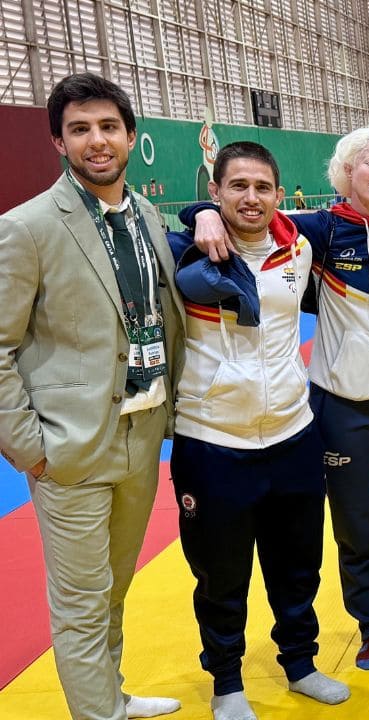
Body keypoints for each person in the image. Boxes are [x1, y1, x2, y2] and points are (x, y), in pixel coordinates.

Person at [187, 127, 369, 671]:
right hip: (339, 401)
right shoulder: (317, 231)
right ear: (347, 172)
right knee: (352, 524)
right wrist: (201, 211)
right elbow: (245, 216)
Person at [0, 73, 183, 720]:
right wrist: (30, 450)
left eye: (108, 127)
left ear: (132, 137)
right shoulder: (26, 228)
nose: (96, 141)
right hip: (70, 448)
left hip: (141, 435)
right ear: (59, 141)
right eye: (80, 129)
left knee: (114, 591)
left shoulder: (149, 217)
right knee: (80, 606)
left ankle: (112, 695)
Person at [167, 142, 349, 720]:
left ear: (278, 194)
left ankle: (300, 664)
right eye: (237, 187)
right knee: (221, 574)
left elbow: (364, 204)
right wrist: (195, 214)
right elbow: (151, 222)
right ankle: (227, 683)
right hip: (212, 439)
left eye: (263, 188)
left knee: (298, 563)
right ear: (216, 192)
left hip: (294, 434)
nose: (252, 198)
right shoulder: (181, 253)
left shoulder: (299, 246)